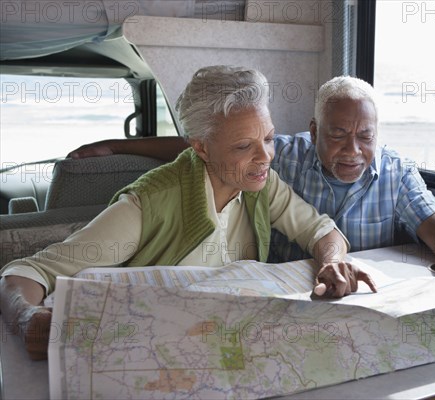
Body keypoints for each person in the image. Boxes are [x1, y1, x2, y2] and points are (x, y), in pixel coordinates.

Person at [0, 66, 377, 360]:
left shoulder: (263, 186)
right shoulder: (145, 207)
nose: (266, 157)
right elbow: (25, 272)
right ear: (201, 147)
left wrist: (333, 262)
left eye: (267, 138)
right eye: (245, 145)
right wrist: (25, 318)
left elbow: (321, 230)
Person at [68, 76, 435, 274]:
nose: (353, 150)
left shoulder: (396, 172)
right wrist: (119, 146)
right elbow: (209, 149)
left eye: (365, 137)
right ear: (314, 131)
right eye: (337, 135)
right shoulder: (282, 156)